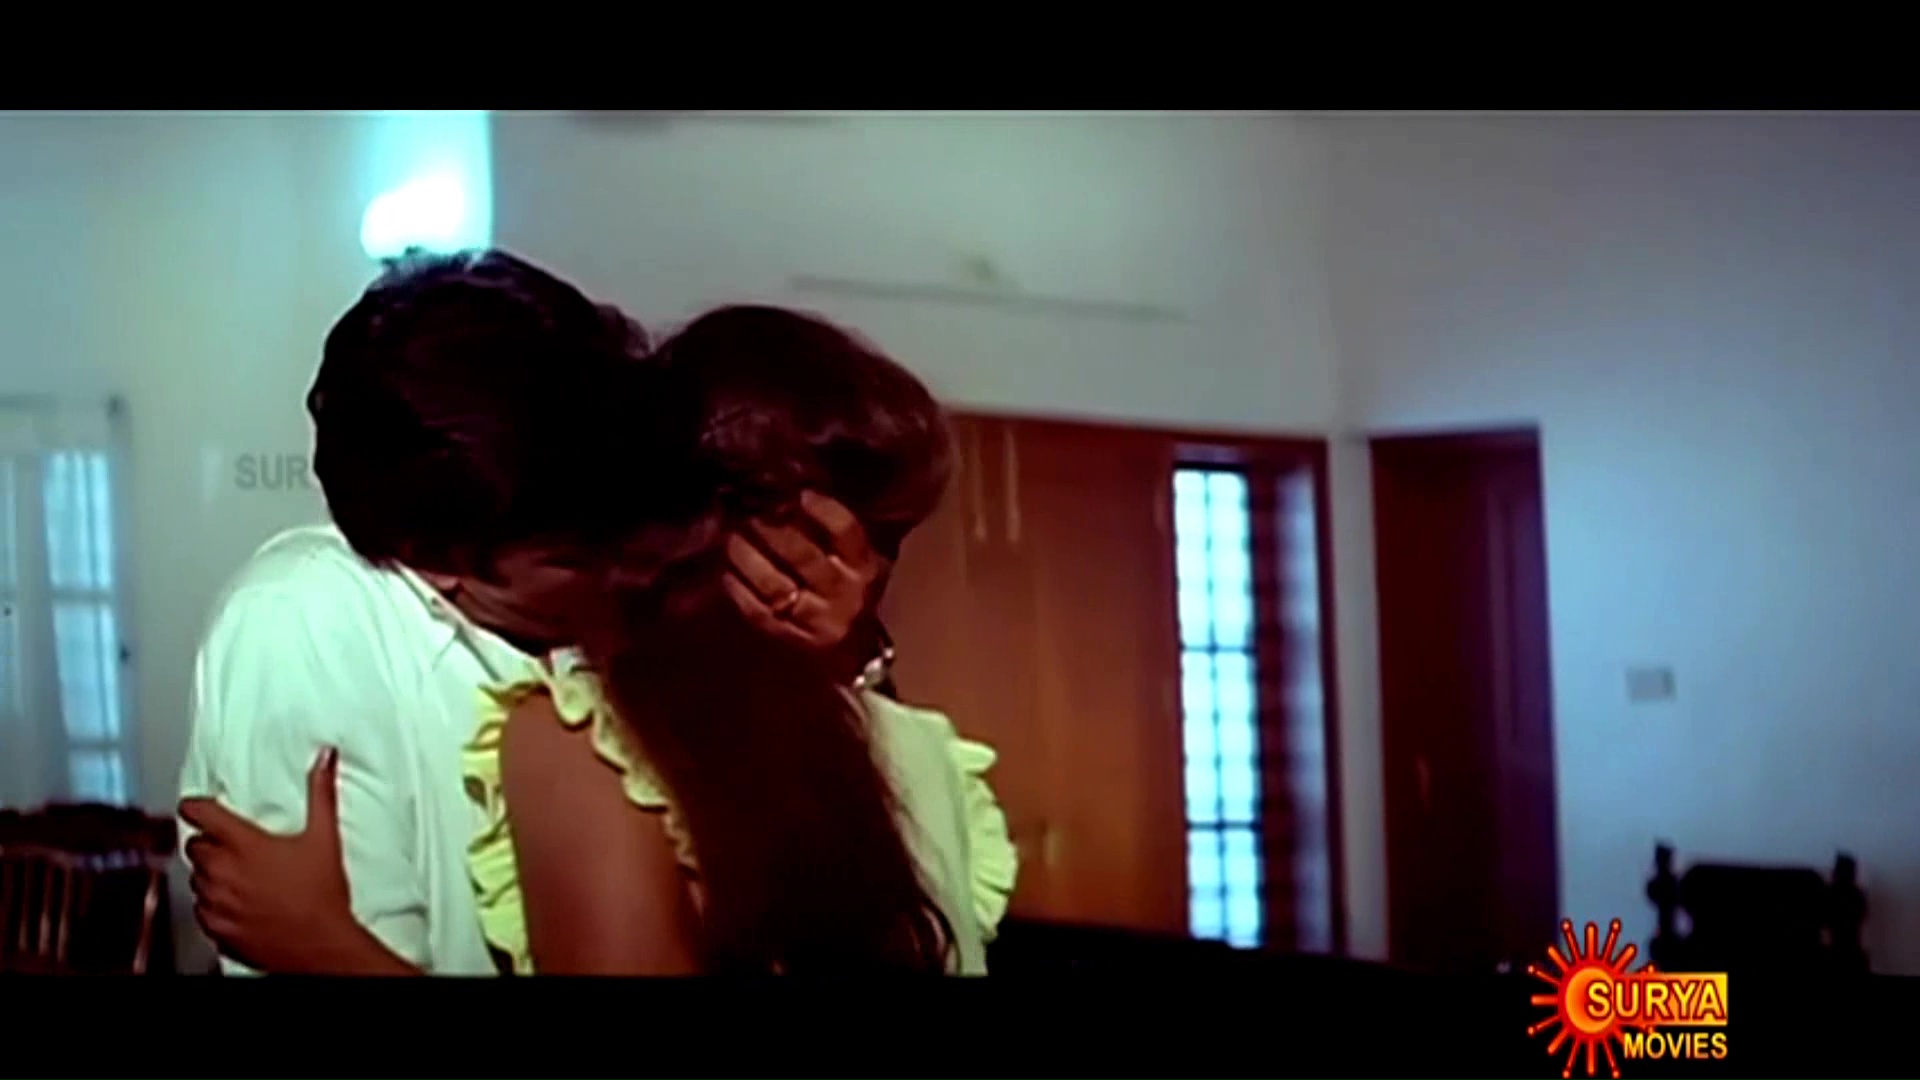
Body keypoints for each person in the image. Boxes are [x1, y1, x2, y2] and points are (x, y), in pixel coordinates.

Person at [186, 303, 1017, 974]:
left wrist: (329, 951)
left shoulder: (586, 738)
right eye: (577, 547)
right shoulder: (317, 616)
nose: (611, 565)